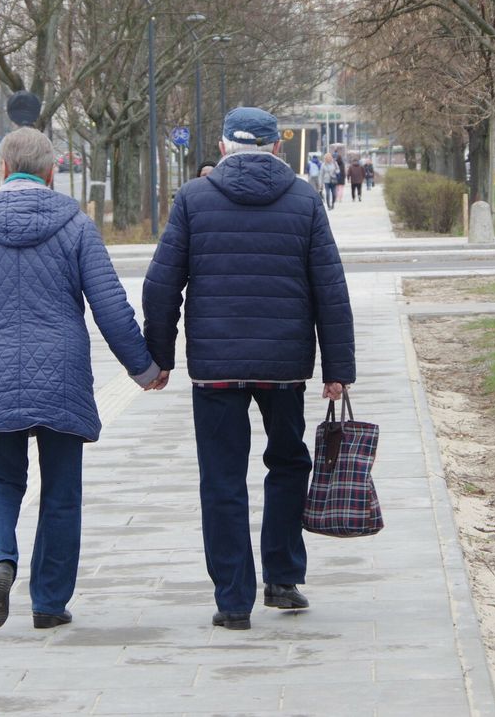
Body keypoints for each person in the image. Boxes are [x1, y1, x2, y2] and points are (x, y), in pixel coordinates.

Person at [0, 127, 163, 631]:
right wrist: (143, 368)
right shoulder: (75, 225)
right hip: (60, 374)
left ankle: (0, 561)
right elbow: (109, 305)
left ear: (1, 169)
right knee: (61, 491)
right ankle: (49, 603)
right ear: (52, 171)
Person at [142, 107, 356, 631]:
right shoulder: (305, 199)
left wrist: (159, 358)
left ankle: (233, 600)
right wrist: (338, 368)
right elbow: (331, 290)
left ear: (221, 147)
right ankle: (282, 579)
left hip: (215, 369)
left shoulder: (193, 199)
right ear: (276, 148)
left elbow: (161, 284)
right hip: (283, 365)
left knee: (221, 478)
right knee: (287, 464)